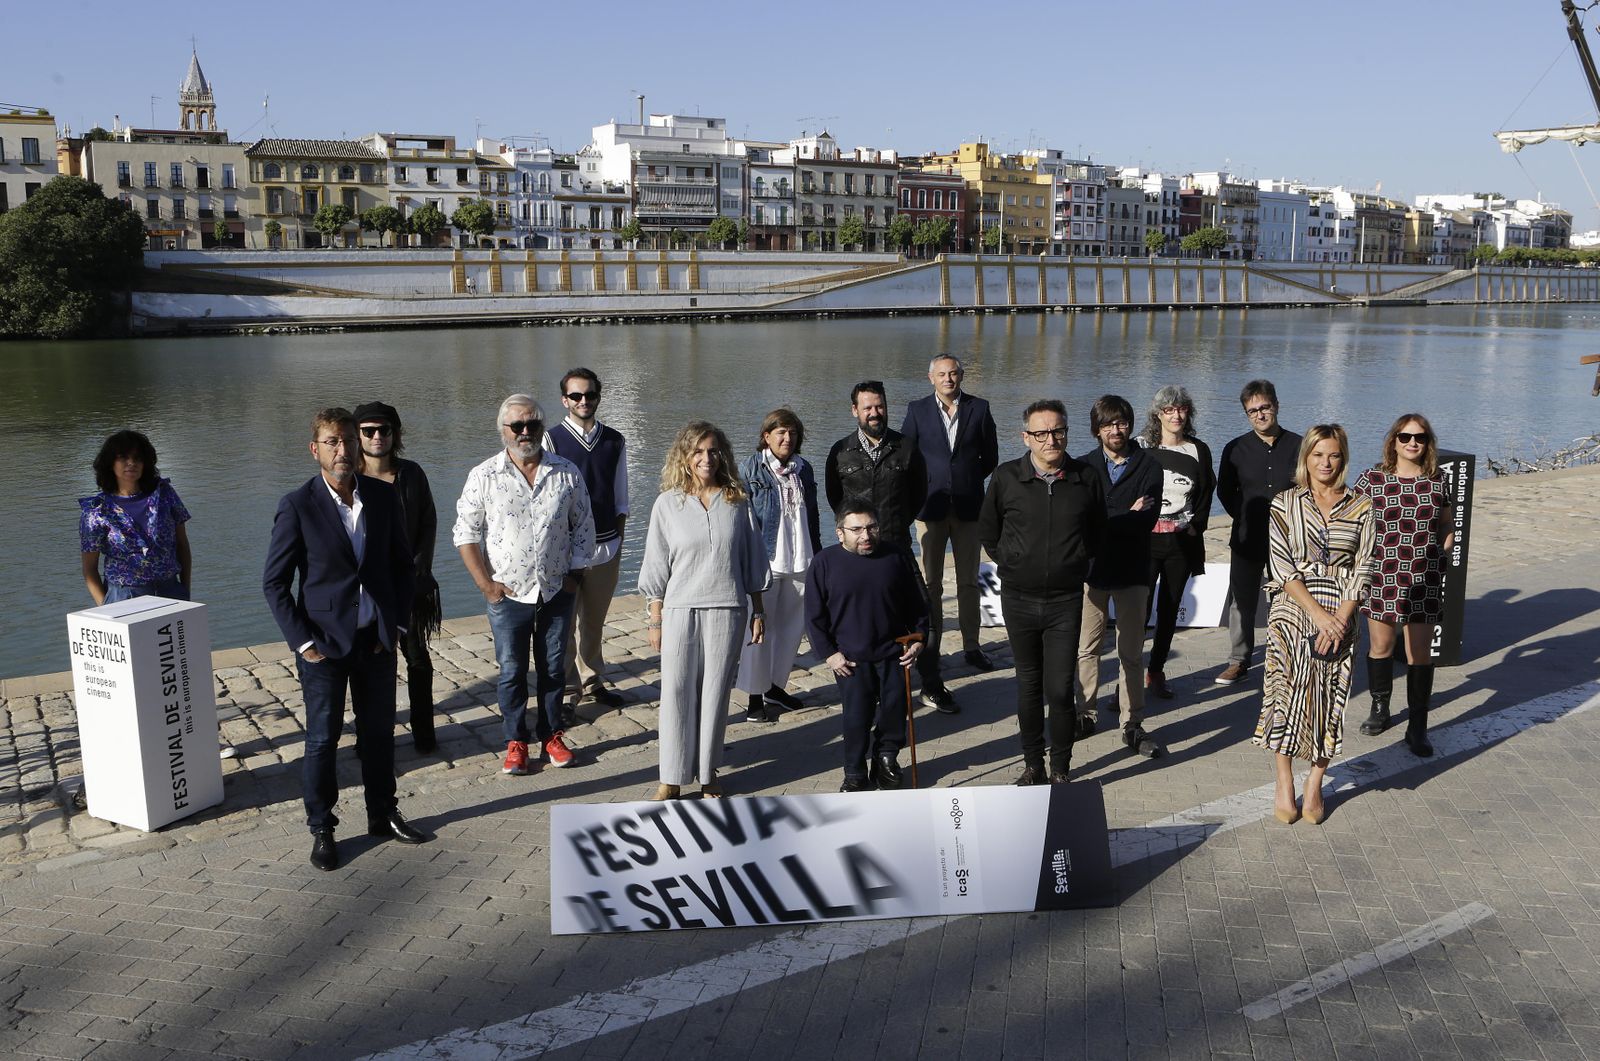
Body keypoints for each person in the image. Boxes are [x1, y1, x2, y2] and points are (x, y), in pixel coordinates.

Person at [263, 408, 428, 871]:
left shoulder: (380, 495)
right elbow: (274, 583)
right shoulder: (297, 505)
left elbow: (400, 565)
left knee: (378, 734)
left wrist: (393, 626)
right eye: (333, 442)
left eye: (349, 441)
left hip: (375, 640)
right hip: (324, 648)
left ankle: (383, 814)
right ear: (315, 449)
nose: (343, 450)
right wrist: (303, 643)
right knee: (323, 740)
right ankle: (323, 828)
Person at [454, 394, 595, 778]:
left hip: (555, 591)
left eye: (532, 424)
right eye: (517, 426)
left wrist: (574, 578)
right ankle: (516, 740)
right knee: (512, 671)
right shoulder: (483, 476)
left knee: (552, 668)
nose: (525, 432)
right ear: (503, 431)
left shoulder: (566, 472)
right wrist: (486, 584)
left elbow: (584, 528)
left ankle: (551, 734)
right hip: (509, 594)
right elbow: (466, 533)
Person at [639, 422, 770, 800]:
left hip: (728, 608)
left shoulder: (737, 501)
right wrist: (655, 616)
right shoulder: (668, 503)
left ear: (722, 454)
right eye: (697, 451)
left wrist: (758, 611)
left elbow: (752, 560)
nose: (706, 458)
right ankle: (672, 777)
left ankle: (708, 773)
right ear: (685, 455)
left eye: (712, 450)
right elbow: (656, 564)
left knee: (715, 694)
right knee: (676, 692)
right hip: (680, 609)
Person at [1251, 425, 1375, 825]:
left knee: (1330, 698)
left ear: (1343, 458)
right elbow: (1280, 564)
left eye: (1334, 455)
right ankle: (1284, 781)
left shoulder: (1362, 506)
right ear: (1306, 457)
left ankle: (1315, 781)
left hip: (1343, 607)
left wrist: (1340, 616)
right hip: (1293, 605)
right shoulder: (1284, 503)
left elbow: (1366, 565)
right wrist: (1316, 613)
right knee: (1285, 693)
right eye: (1318, 454)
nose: (1325, 463)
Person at [978, 400, 1104, 785]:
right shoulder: (1006, 477)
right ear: (1026, 437)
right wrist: (1014, 561)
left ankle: (1061, 768)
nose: (1052, 439)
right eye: (1042, 433)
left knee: (1060, 689)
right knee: (1028, 685)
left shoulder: (1086, 477)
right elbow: (989, 532)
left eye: (1059, 431)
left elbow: (1097, 532)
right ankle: (1033, 764)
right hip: (1017, 597)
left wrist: (1078, 561)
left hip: (1065, 600)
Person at [806, 499, 928, 792]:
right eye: (857, 529)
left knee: (895, 710)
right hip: (850, 659)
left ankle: (886, 758)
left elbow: (918, 605)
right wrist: (830, 655)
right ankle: (855, 771)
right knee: (856, 717)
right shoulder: (824, 563)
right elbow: (813, 616)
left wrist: (919, 639)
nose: (866, 535)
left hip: (894, 652)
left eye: (872, 527)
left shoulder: (895, 557)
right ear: (840, 533)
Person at [902, 354, 999, 713]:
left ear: (961, 376)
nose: (948, 379)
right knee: (931, 585)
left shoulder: (979, 407)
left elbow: (990, 456)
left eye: (954, 373)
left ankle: (973, 647)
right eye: (942, 374)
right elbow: (907, 456)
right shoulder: (916, 410)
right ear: (931, 378)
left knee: (969, 581)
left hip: (970, 505)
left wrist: (967, 479)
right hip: (929, 508)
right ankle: (933, 650)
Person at [1354, 414, 1454, 756]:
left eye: (1420, 437)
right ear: (1393, 439)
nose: (1413, 443)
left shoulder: (1437, 480)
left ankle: (1417, 726)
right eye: (1406, 436)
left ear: (1428, 442)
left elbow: (1446, 523)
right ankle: (1380, 708)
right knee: (1380, 647)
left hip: (1424, 576)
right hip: (1383, 573)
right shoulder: (1372, 479)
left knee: (1419, 654)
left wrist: (1443, 553)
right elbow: (1353, 522)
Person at [1074, 396, 1165, 757]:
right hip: (1092, 571)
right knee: (1087, 648)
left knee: (1131, 652)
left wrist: (1108, 518)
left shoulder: (1149, 466)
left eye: (1121, 423)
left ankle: (1132, 722)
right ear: (1097, 429)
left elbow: (1146, 520)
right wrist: (1123, 513)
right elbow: (1080, 521)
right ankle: (1085, 714)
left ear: (1130, 425)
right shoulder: (1082, 467)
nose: (1116, 430)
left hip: (1132, 571)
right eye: (1108, 424)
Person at [353, 402, 442, 754]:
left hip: (409, 589)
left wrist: (416, 570)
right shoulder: (350, 479)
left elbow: (429, 522)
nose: (377, 437)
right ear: (356, 436)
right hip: (366, 593)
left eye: (384, 430)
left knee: (418, 660)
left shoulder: (412, 473)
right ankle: (370, 738)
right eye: (369, 431)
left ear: (396, 434)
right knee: (368, 669)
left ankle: (424, 734)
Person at [543, 368, 630, 719]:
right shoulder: (552, 440)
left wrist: (619, 538)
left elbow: (621, 495)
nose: (583, 401)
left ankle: (593, 678)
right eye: (576, 396)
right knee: (563, 624)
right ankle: (567, 686)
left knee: (594, 620)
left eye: (589, 395)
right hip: (565, 552)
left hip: (606, 545)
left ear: (598, 397)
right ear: (565, 400)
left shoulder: (614, 440)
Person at [736, 408, 822, 724]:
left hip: (801, 558)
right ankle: (754, 696)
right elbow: (743, 519)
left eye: (792, 433)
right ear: (767, 435)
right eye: (781, 432)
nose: (787, 438)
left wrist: (819, 554)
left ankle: (775, 686)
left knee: (790, 628)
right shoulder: (750, 468)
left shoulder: (804, 469)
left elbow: (811, 515)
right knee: (759, 630)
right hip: (767, 561)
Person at [1215, 380, 1302, 687]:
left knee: (1288, 599)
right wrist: (1242, 517)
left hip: (1289, 540)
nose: (1260, 414)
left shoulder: (1300, 446)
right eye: (1252, 411)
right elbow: (1224, 490)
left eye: (1264, 407)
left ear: (1276, 406)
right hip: (1247, 537)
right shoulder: (1235, 449)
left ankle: (1288, 657)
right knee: (1242, 600)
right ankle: (1239, 661)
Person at [1140, 385, 1215, 699]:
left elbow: (1207, 491)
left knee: (1169, 608)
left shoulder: (1198, 450)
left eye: (1182, 409)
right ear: (1158, 414)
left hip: (1180, 542)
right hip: (1143, 542)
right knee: (1138, 611)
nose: (1176, 415)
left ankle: (1155, 671)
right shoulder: (1140, 446)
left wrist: (1196, 526)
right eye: (1169, 410)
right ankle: (1127, 676)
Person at [81, 430, 192, 606]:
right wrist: (105, 609)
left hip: (171, 591)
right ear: (110, 463)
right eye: (123, 457)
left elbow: (182, 544)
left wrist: (185, 591)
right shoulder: (97, 511)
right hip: (124, 596)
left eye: (138, 458)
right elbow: (89, 569)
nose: (131, 463)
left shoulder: (164, 494)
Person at [824, 380, 927, 554]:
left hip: (896, 544)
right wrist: (855, 527)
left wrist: (897, 522)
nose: (874, 413)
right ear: (855, 410)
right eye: (867, 408)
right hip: (855, 547)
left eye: (879, 407)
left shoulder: (907, 448)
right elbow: (834, 497)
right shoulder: (840, 452)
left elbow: (919, 494)